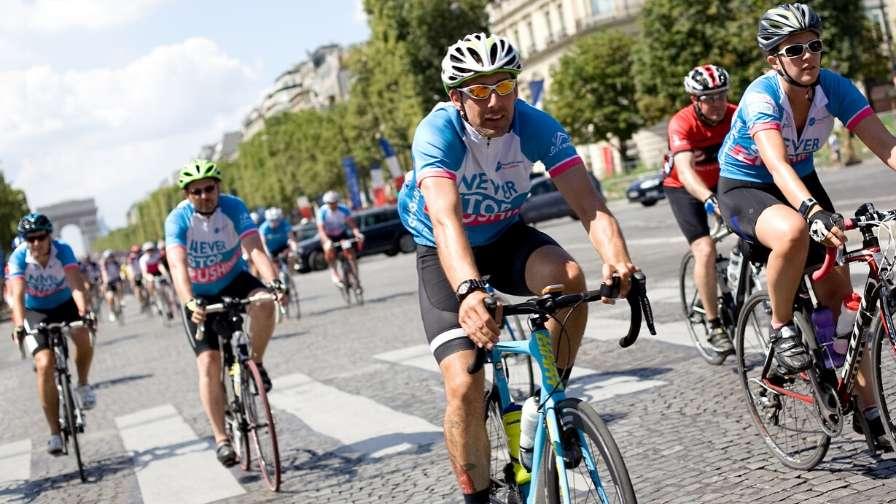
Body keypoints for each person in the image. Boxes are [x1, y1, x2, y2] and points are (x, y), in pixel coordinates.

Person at [396, 33, 638, 503]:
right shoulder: (437, 132)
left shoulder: (535, 125)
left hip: (505, 235)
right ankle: (478, 498)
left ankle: (548, 406)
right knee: (464, 384)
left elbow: (589, 204)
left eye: (504, 86)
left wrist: (616, 258)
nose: (495, 102)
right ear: (457, 98)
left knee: (568, 278)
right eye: (479, 90)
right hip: (443, 247)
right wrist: (469, 290)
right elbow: (445, 219)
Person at [718, 2, 896, 448]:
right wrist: (812, 212)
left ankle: (869, 412)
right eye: (794, 49)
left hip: (803, 181)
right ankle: (781, 329)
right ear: (773, 59)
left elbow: (885, 144)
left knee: (843, 303)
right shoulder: (762, 96)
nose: (807, 56)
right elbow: (775, 164)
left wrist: (814, 207)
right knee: (794, 231)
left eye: (814, 45)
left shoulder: (833, 87)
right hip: (748, 185)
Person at [164, 159, 283, 468]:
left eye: (209, 189)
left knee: (265, 302)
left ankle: (256, 362)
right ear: (187, 195)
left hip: (234, 278)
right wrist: (189, 302)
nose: (205, 196)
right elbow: (177, 265)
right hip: (200, 293)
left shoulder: (233, 206)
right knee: (209, 362)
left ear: (218, 188)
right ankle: (221, 439)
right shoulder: (178, 219)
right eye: (197, 192)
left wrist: (273, 281)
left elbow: (254, 247)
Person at [6, 213, 95, 455]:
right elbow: (17, 295)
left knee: (82, 335)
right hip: (36, 311)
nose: (36, 243)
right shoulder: (18, 257)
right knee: (44, 365)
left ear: (49, 237)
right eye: (30, 239)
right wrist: (19, 325)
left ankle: (83, 384)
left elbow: (75, 284)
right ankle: (55, 433)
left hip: (65, 304)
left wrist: (84, 311)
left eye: (41, 237)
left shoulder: (62, 250)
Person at [663, 64, 737, 353]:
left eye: (722, 95)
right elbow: (685, 171)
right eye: (709, 98)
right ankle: (713, 323)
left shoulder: (735, 114)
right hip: (684, 187)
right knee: (704, 249)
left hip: (722, 181)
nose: (718, 103)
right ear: (695, 100)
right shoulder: (681, 123)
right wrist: (708, 198)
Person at [316, 191, 364, 289]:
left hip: (342, 235)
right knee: (329, 250)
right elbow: (321, 230)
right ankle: (334, 272)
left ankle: (356, 278)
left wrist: (357, 233)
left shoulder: (344, 209)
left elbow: (352, 225)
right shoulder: (322, 212)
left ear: (337, 202)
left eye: (334, 203)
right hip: (328, 236)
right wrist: (327, 241)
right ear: (326, 203)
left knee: (350, 253)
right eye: (330, 203)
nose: (333, 205)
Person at [139, 241, 173, 319]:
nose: (150, 251)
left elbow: (160, 265)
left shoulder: (156, 256)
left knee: (165, 289)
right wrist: (149, 277)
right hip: (149, 274)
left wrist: (165, 274)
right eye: (148, 250)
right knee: (150, 283)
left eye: (151, 249)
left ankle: (169, 308)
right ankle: (152, 298)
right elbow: (144, 272)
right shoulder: (143, 259)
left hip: (158, 273)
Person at [99, 250, 123, 321]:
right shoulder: (104, 265)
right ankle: (111, 312)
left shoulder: (116, 263)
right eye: (108, 257)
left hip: (116, 280)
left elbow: (120, 271)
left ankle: (121, 300)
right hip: (108, 282)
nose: (110, 258)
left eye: (111, 256)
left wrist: (122, 277)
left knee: (119, 287)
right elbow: (104, 274)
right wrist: (105, 283)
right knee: (110, 298)